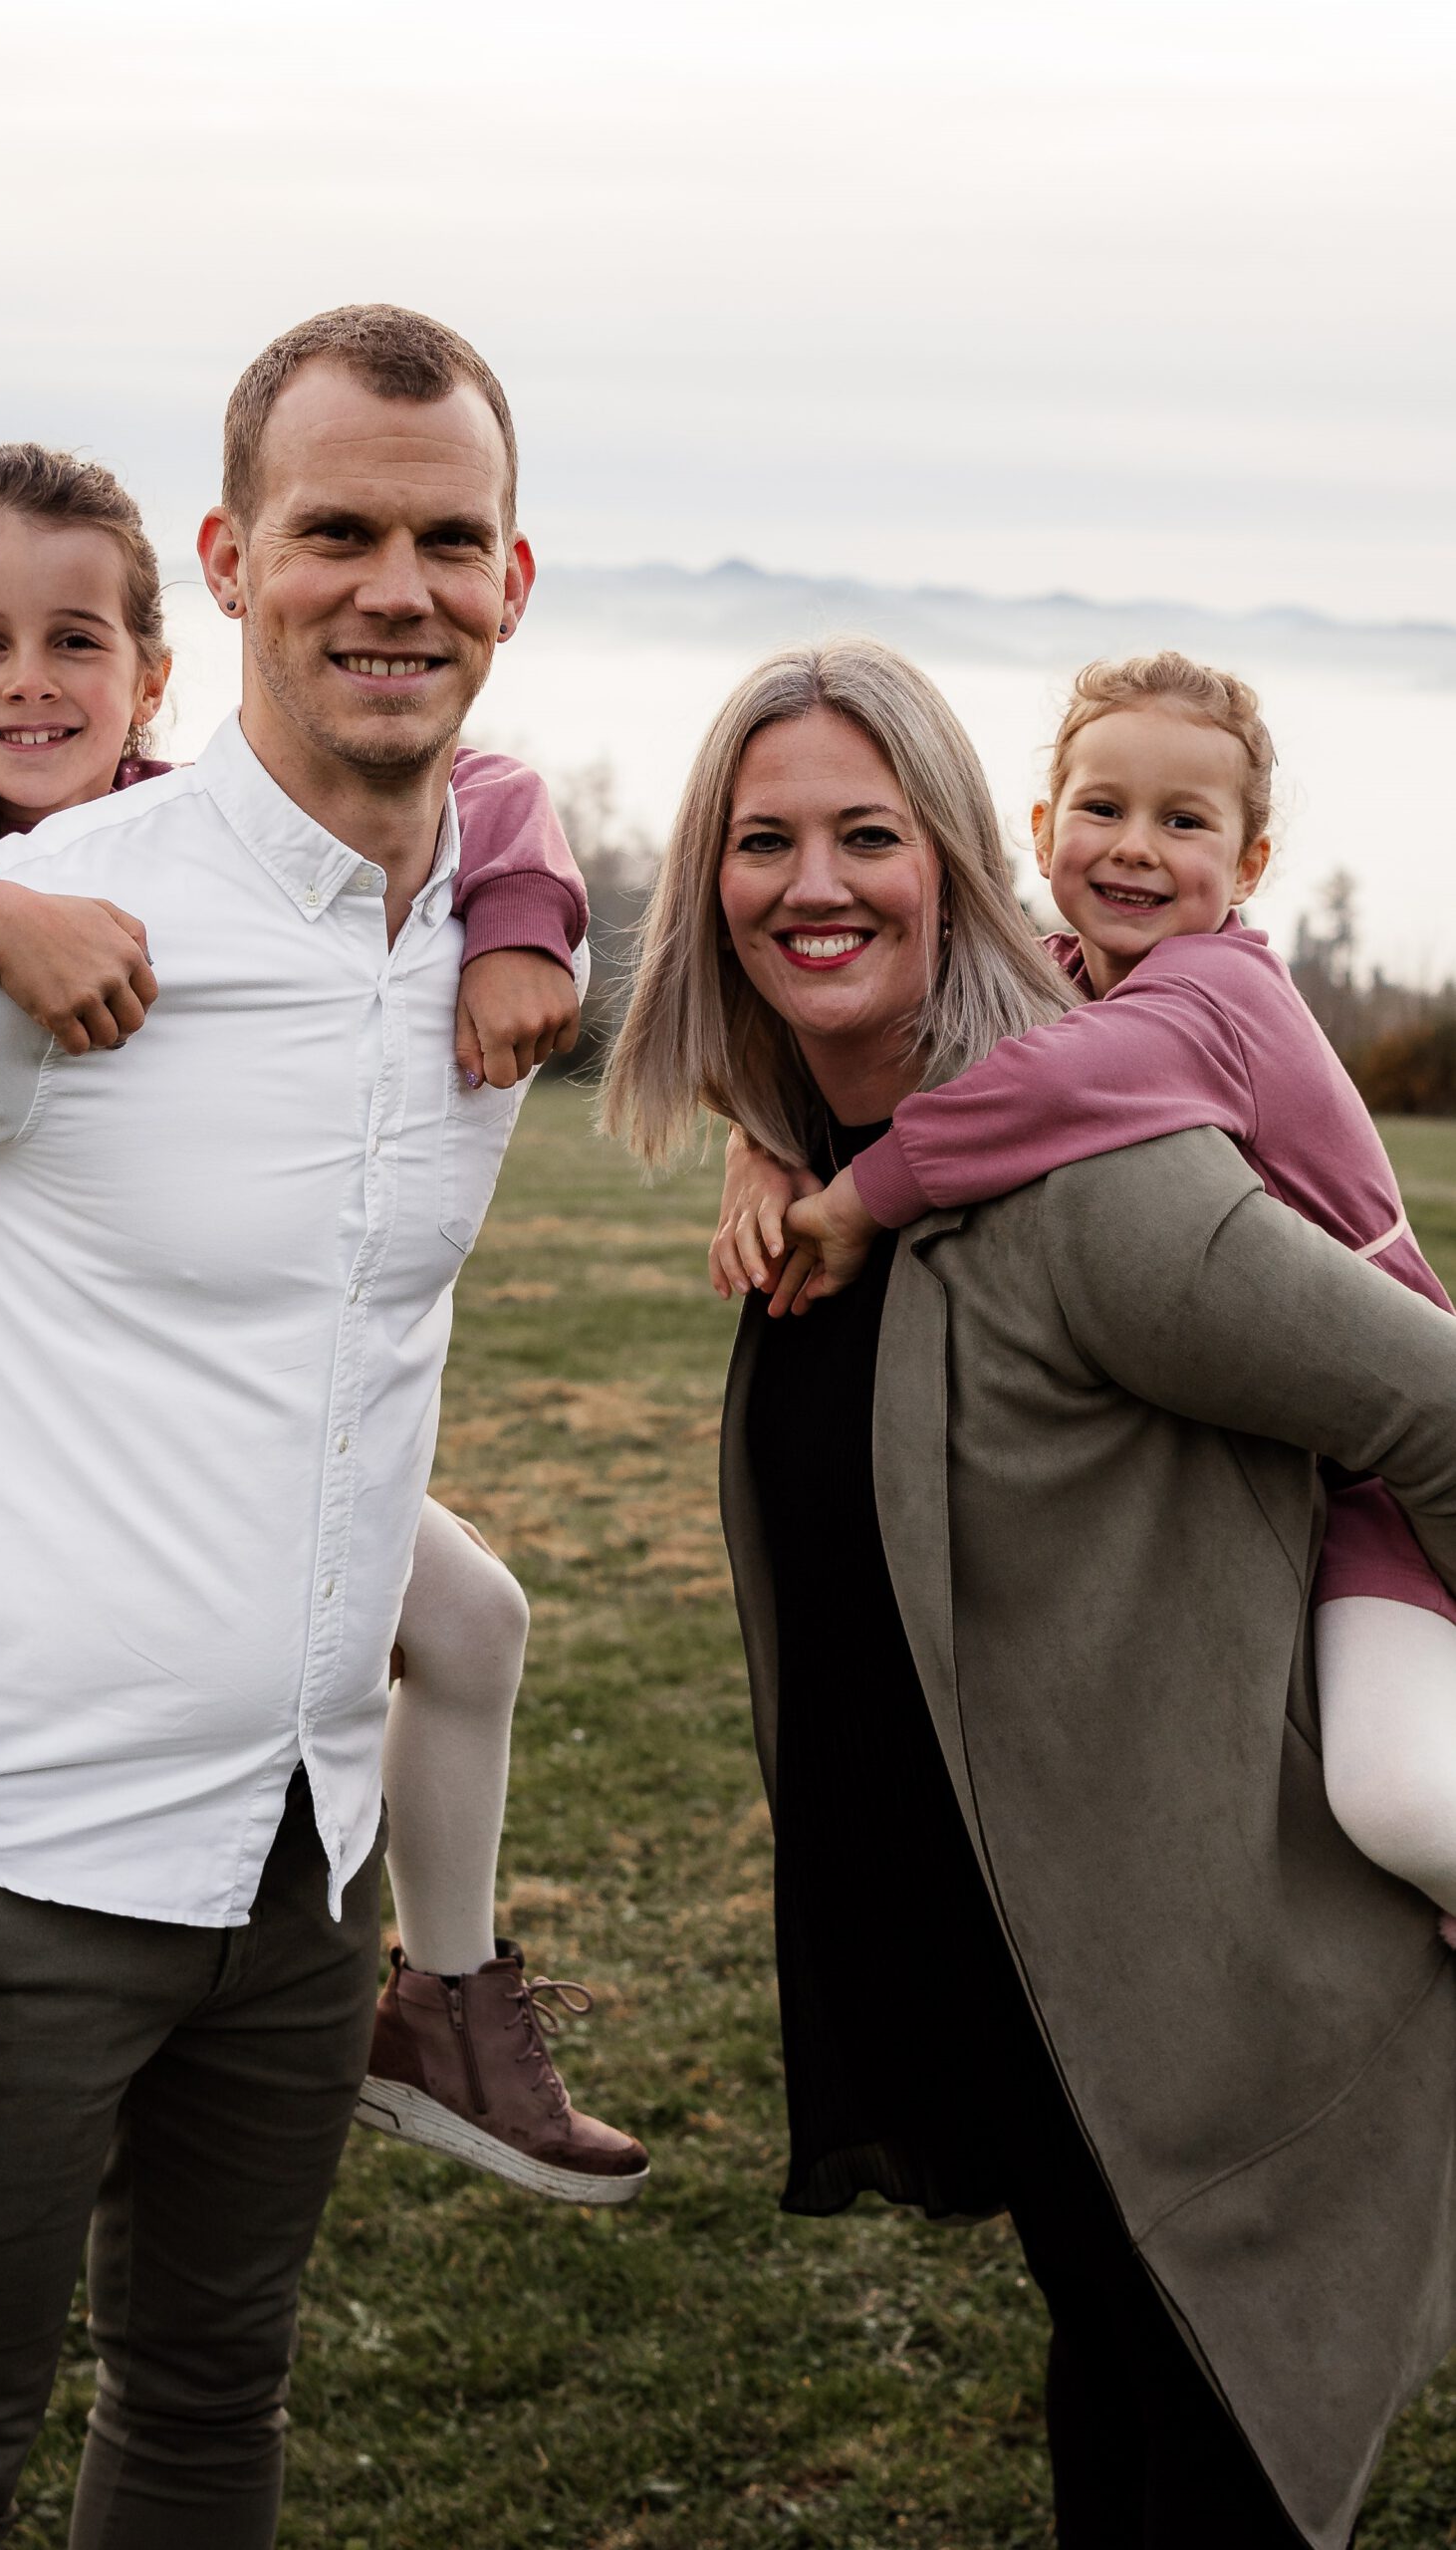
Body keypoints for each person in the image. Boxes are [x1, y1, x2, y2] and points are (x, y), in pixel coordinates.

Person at [0, 302, 622, 2550]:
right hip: (20, 1891)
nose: (398, 584)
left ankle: (448, 2014)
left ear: (512, 577)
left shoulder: (486, 913)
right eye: (338, 530)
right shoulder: (57, 953)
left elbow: (594, 847)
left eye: (445, 536)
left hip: (303, 1885)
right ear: (238, 559)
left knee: (200, 2418)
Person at [602, 636, 1456, 2548]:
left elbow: (1442, 1411)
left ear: (961, 857)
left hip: (1217, 2025)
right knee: (1116, 2413)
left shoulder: (1098, 1179)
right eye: (760, 842)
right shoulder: (836, 1156)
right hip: (1038, 1983)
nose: (811, 885)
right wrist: (767, 1139)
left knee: (1203, 2465)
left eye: (867, 836)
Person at [709, 648, 1456, 1931]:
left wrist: (854, 1197)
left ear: (1253, 864)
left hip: (1386, 1472)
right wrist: (762, 1136)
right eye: (1102, 810)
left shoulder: (1211, 996)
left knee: (1395, 1798)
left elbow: (1026, 1092)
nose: (1134, 850)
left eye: (1186, 822)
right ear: (1043, 827)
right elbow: (866, 1025)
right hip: (1292, 1472)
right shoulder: (1068, 972)